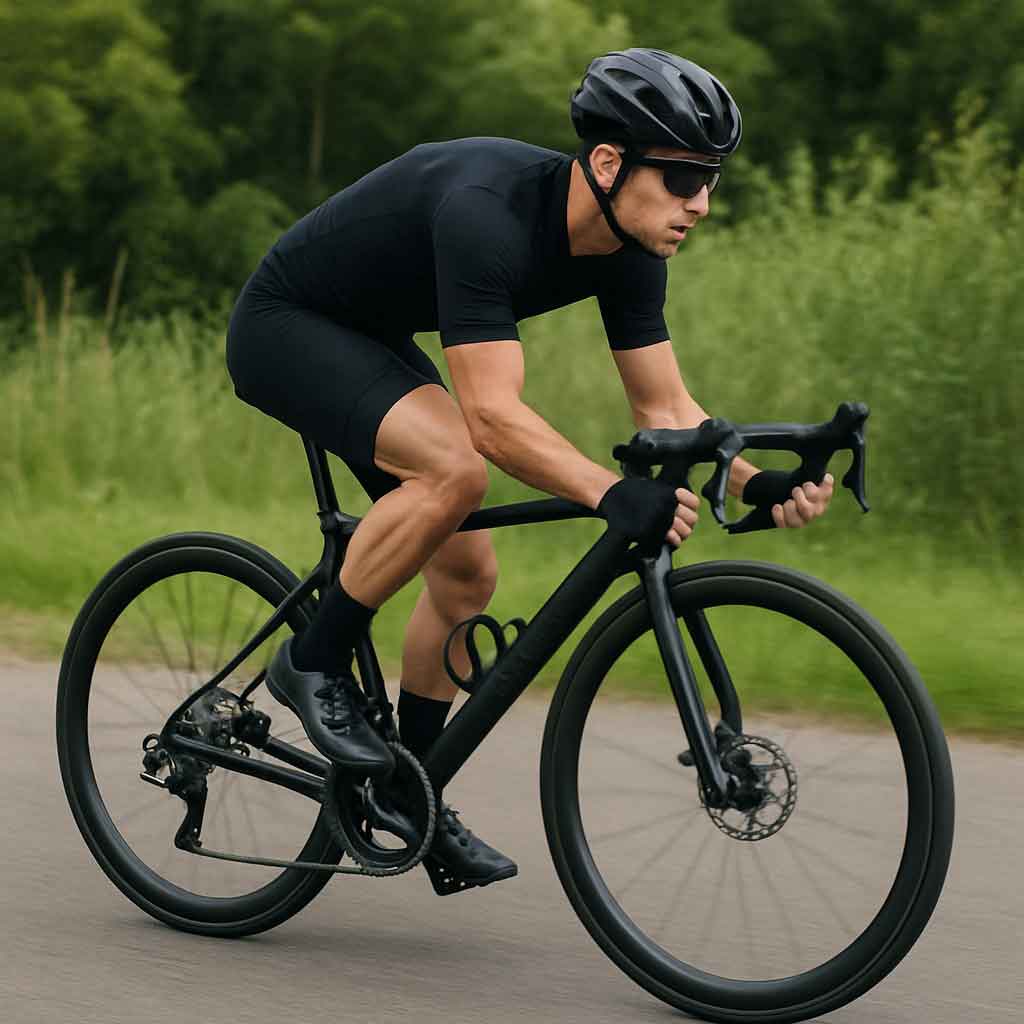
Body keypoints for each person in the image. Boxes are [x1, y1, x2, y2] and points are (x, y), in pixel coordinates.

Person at [225, 48, 834, 895]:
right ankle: (313, 660)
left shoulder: (632, 246)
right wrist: (607, 490)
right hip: (288, 324)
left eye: (712, 180)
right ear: (612, 163)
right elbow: (492, 418)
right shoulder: (489, 213)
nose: (701, 204)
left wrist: (756, 481)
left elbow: (665, 410)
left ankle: (407, 793)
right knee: (455, 473)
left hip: (370, 336)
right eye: (684, 178)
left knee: (467, 572)